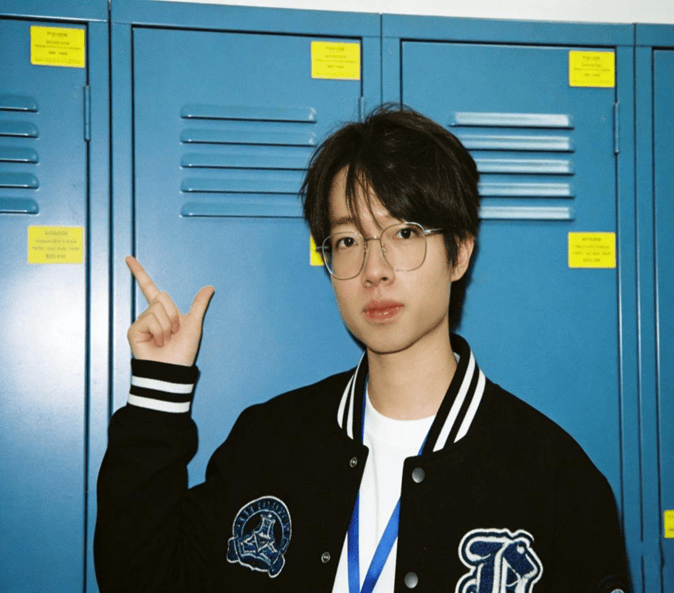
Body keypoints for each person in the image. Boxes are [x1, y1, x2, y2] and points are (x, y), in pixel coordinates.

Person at [95, 105, 630, 593]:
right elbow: (142, 577)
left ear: (460, 253)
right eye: (348, 241)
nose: (374, 270)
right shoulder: (267, 442)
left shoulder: (556, 479)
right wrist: (157, 395)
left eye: (404, 233)